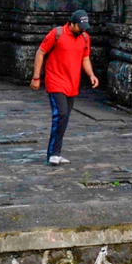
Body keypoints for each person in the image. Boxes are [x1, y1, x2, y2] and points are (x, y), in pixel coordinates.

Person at [31, 9, 98, 165]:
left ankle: (56, 152)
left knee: (65, 117)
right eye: (80, 27)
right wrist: (36, 77)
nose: (82, 30)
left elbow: (85, 58)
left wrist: (91, 75)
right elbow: (40, 52)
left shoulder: (85, 38)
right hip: (55, 81)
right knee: (60, 114)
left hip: (72, 83)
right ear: (71, 23)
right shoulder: (57, 33)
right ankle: (53, 154)